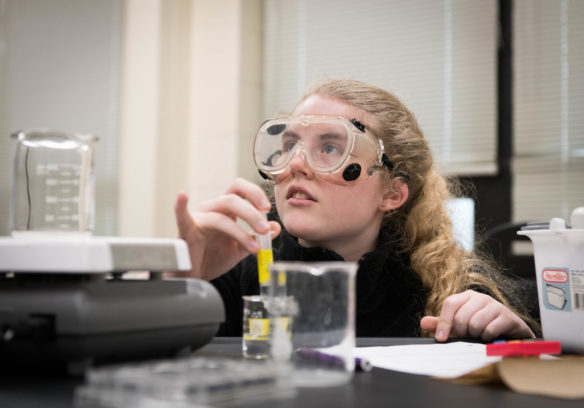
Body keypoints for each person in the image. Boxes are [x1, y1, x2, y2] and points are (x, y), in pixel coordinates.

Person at [173, 78, 537, 342]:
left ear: (392, 193)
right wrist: (182, 283)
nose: (295, 165)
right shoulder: (239, 268)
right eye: (289, 145)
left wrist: (518, 345)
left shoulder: (447, 291)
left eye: (330, 148)